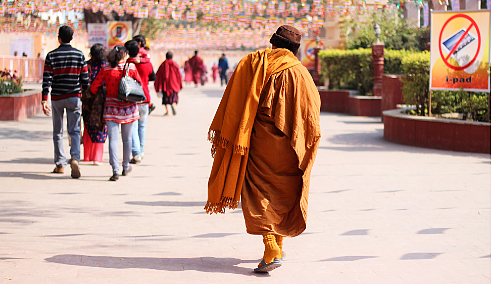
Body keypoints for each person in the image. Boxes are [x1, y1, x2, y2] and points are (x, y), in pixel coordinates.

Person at [205, 25, 321, 273]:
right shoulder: (302, 74)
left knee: (259, 195)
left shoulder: (255, 63)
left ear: (272, 43)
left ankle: (271, 248)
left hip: (261, 146)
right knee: (284, 195)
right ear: (296, 50)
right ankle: (277, 245)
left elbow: (235, 103)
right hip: (292, 146)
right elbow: (312, 115)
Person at [41, 25, 89, 178]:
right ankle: (75, 158)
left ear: (58, 38)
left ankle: (60, 164)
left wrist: (44, 100)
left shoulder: (51, 55)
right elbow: (85, 81)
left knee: (57, 131)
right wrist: (84, 95)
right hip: (74, 97)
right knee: (74, 130)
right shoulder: (80, 55)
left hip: (57, 98)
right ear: (72, 38)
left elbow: (47, 79)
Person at [90, 45, 142, 181]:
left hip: (110, 108)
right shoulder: (131, 68)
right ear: (124, 55)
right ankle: (125, 166)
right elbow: (139, 84)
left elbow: (94, 87)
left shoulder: (105, 69)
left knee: (113, 139)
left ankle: (115, 170)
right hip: (128, 108)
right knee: (127, 139)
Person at [125, 40, 154, 164]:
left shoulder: (127, 64)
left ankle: (136, 153)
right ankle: (141, 151)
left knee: (133, 127)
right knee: (142, 127)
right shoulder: (147, 63)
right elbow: (153, 77)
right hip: (146, 98)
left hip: (133, 99)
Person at [82, 43, 108, 166]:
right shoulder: (107, 66)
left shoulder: (86, 66)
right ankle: (97, 157)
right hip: (103, 102)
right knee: (100, 126)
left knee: (88, 125)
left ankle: (87, 155)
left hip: (87, 101)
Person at [155, 51, 182, 116]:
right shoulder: (175, 64)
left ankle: (168, 111)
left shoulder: (163, 65)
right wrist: (179, 84)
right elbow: (179, 75)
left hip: (165, 85)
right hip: (174, 84)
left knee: (165, 98)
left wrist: (158, 85)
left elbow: (158, 75)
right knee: (174, 97)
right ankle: (173, 105)